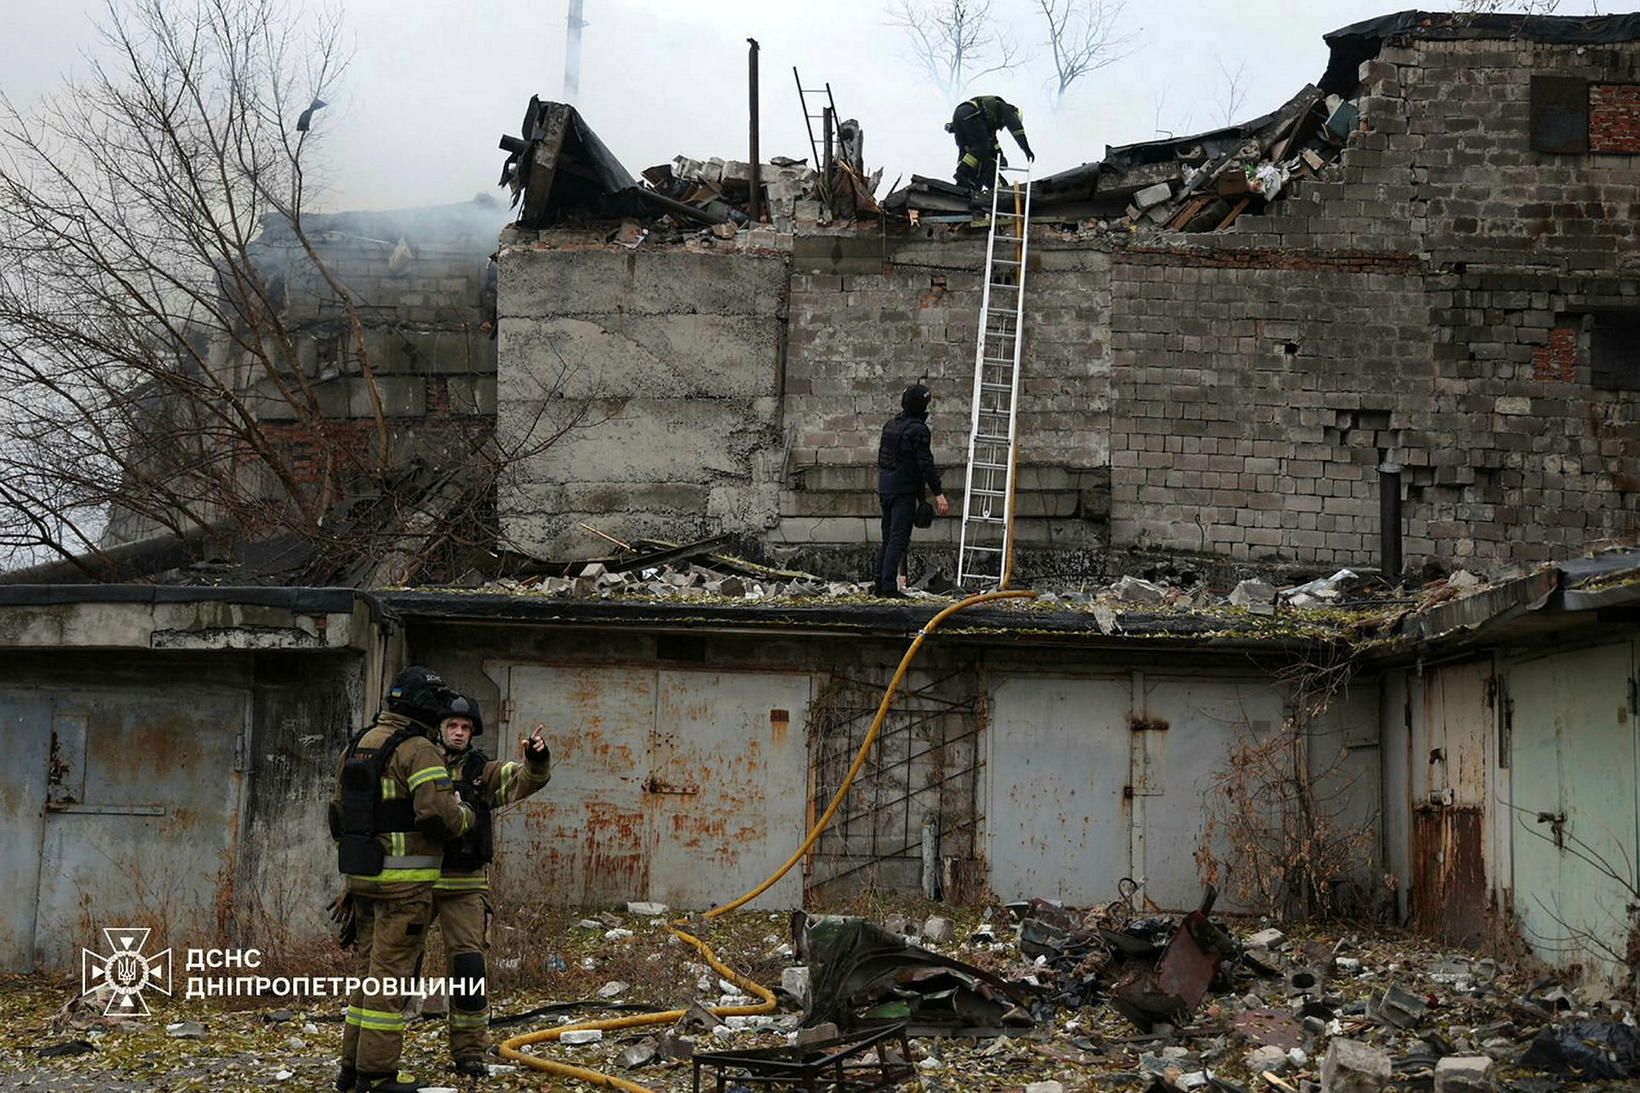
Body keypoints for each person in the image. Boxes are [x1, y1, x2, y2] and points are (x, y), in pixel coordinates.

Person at [329, 666, 474, 1093]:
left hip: (364, 879)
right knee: (389, 982)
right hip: (404, 887)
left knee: (367, 976)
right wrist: (464, 815)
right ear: (424, 707)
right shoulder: (417, 750)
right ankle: (377, 1077)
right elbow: (437, 813)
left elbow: (338, 811)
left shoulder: (360, 744)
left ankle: (351, 1071)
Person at [428, 694, 552, 1077]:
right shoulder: (418, 762)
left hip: (464, 881)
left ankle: (469, 1052)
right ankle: (381, 1055)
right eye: (453, 726)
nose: (460, 733)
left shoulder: (483, 772)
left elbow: (525, 779)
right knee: (399, 967)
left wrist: (536, 757)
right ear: (440, 729)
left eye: (466, 728)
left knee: (469, 967)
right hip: (414, 880)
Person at [875, 383, 949, 598]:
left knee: (888, 538)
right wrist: (938, 494)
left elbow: (891, 460)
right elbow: (924, 464)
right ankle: (888, 588)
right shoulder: (918, 430)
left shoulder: (891, 425)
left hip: (886, 487)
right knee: (898, 539)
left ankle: (881, 583)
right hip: (902, 490)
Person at [947, 95, 1035, 195]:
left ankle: (965, 181)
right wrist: (1027, 150)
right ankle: (962, 173)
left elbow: (992, 140)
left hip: (959, 115)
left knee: (967, 150)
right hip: (971, 114)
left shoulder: (990, 119)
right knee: (982, 146)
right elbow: (1017, 130)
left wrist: (1001, 157)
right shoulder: (1008, 110)